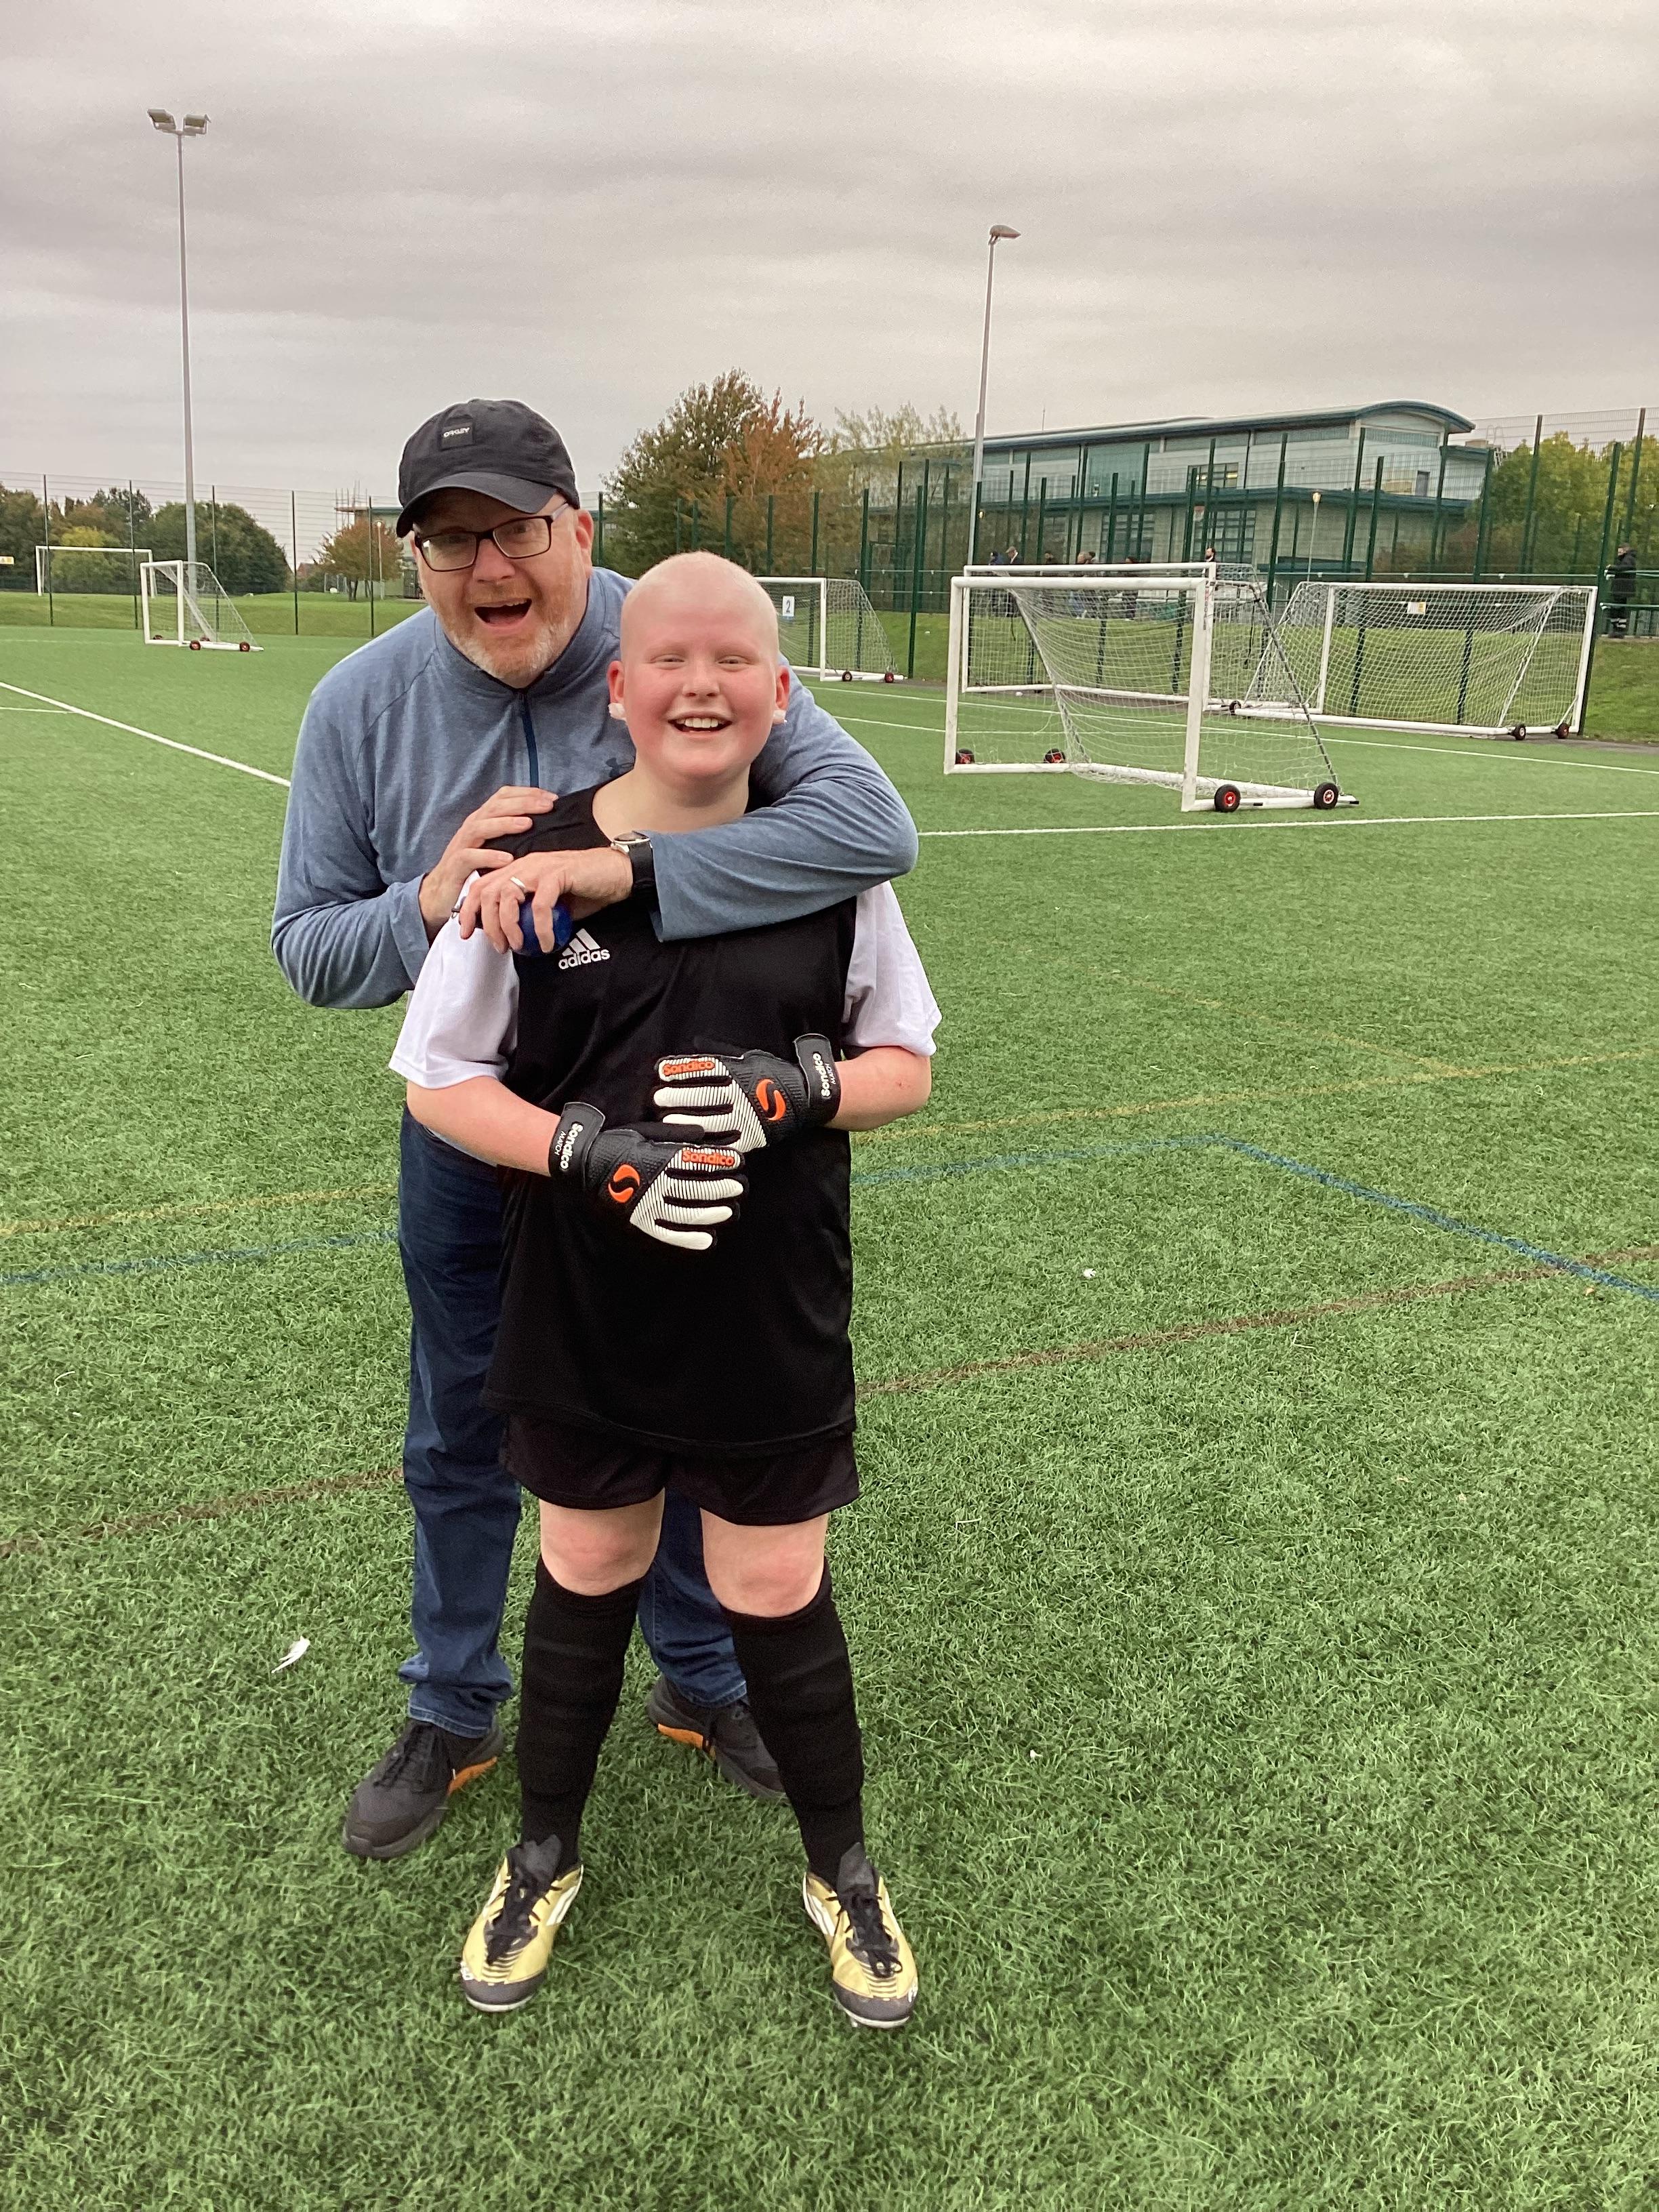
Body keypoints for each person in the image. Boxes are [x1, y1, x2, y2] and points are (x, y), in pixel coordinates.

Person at [272, 400, 918, 1860]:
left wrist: (619, 868)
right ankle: (452, 1703)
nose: (489, 565)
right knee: (460, 1419)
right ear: (416, 558)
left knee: (687, 1402)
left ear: (577, 528)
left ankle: (698, 1675)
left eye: (515, 529)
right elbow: (309, 950)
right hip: (484, 1132)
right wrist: (432, 900)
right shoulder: (359, 704)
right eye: (450, 541)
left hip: (682, 1121)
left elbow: (870, 832)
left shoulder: (686, 641)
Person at [392, 554, 939, 2026]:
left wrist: (805, 1089)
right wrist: (581, 1150)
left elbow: (907, 1062)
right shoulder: (529, 861)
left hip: (769, 1304)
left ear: (781, 690)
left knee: (774, 1583)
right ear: (620, 688)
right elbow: (437, 1077)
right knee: (586, 1560)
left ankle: (845, 1872)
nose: (703, 686)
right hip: (584, 1305)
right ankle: (538, 1855)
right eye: (671, 660)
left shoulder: (831, 862)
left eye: (735, 660)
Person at [1607, 544, 1637, 638]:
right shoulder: (1624, 559)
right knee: (1617, 609)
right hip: (1621, 588)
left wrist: (1612, 567)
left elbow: (1624, 568)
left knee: (1618, 609)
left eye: (1620, 551)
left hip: (1622, 589)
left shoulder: (1628, 559)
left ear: (1625, 550)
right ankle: (1617, 629)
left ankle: (1619, 630)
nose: (1619, 553)